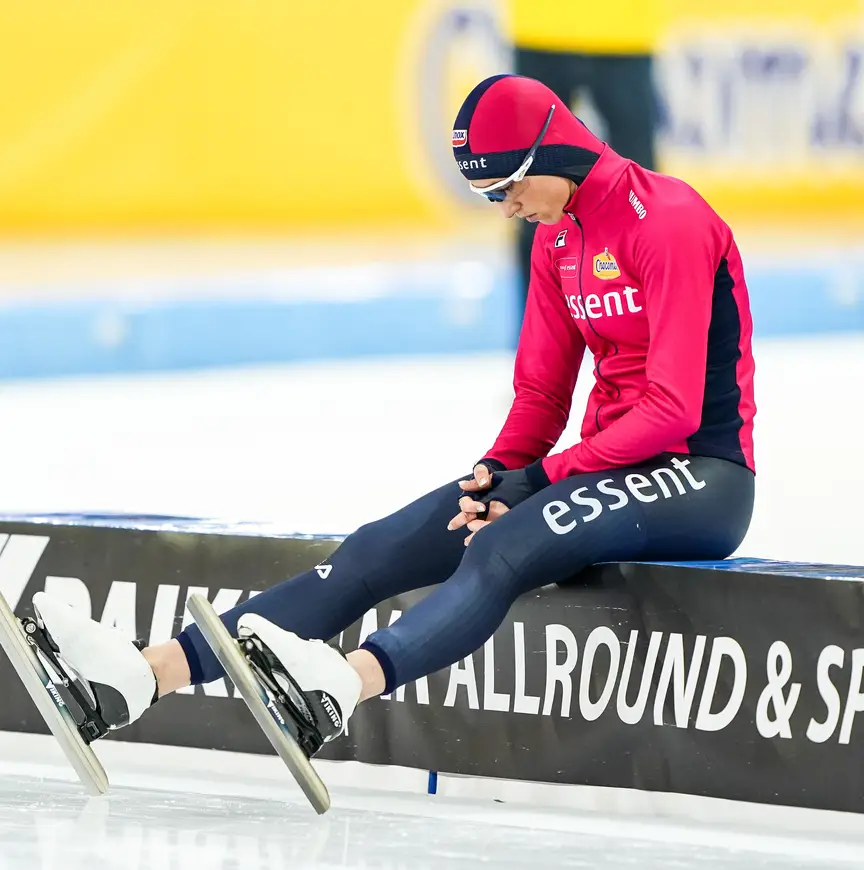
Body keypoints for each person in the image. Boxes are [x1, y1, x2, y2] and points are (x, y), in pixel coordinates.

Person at [30, 74, 756, 756]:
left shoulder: (667, 220)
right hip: (598, 469)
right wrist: (496, 473)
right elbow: (540, 395)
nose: (504, 207)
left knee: (500, 551)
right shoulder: (556, 237)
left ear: (553, 153)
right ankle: (142, 677)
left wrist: (537, 481)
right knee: (379, 548)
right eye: (487, 195)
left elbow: (670, 409)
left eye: (507, 186)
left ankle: (340, 688)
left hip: (701, 475)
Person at [509, 0, 662, 319]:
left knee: (641, 193)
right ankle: (541, 327)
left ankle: (652, 312)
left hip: (608, 30)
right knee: (529, 180)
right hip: (560, 28)